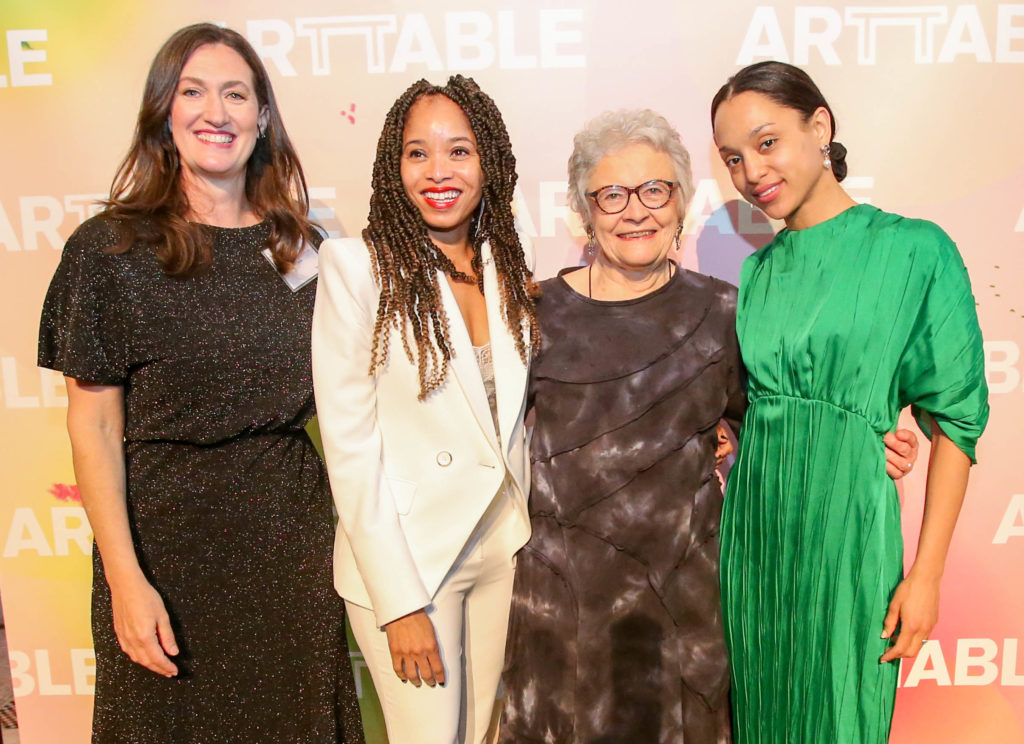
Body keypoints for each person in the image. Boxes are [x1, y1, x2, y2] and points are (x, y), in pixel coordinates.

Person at [499, 109, 921, 744]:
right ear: (584, 212)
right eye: (612, 194)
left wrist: (863, 445)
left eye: (655, 189)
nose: (635, 210)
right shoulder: (533, 314)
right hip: (560, 617)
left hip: (684, 615)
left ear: (681, 204)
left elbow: (786, 422)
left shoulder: (725, 312)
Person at [37, 23, 363, 743]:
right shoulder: (110, 251)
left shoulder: (307, 246)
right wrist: (126, 580)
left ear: (263, 117)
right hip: (162, 548)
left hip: (289, 545)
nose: (216, 112)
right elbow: (91, 426)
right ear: (164, 111)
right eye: (194, 91)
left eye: (236, 94)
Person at [711, 61, 989, 744]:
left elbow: (955, 419)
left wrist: (925, 577)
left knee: (841, 719)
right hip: (755, 540)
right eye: (733, 159)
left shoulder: (915, 250)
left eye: (767, 142)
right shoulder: (756, 271)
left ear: (820, 127)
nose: (752, 172)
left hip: (850, 538)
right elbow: (753, 411)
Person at [311, 76, 537, 744]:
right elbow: (350, 449)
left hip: (500, 542)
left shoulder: (506, 263)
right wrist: (399, 602)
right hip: (411, 559)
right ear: (393, 166)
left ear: (487, 162)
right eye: (418, 153)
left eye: (458, 151)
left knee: (481, 734)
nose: (439, 171)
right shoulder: (356, 267)